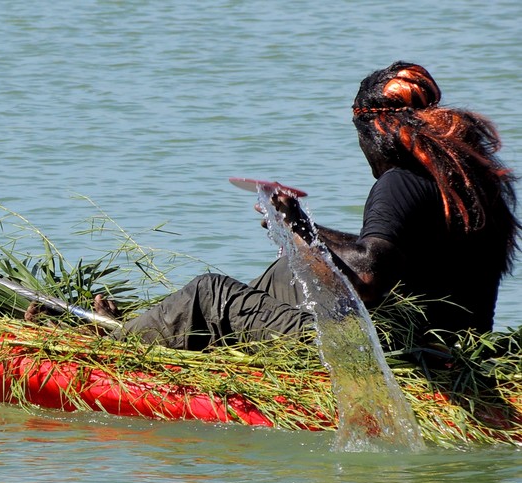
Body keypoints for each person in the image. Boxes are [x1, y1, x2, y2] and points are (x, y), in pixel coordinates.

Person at [95, 61, 520, 351]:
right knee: (287, 272)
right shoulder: (474, 187)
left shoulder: (399, 181)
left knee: (210, 293)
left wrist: (298, 227)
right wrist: (307, 234)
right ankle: (157, 330)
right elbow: (400, 260)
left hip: (386, 350)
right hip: (448, 346)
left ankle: (113, 349)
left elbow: (370, 277)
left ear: (374, 131)